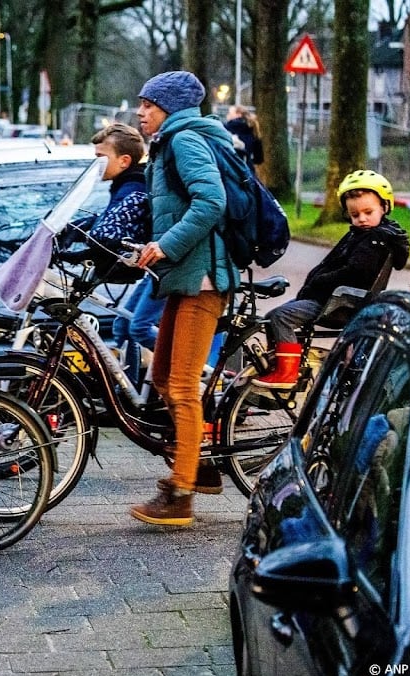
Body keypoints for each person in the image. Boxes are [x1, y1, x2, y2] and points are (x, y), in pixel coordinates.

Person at [128, 71, 239, 527]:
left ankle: (182, 493)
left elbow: (210, 202)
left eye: (149, 105)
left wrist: (167, 245)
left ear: (169, 108)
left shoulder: (184, 141)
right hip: (182, 277)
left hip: (204, 280)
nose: (140, 112)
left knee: (181, 385)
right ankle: (201, 465)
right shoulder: (168, 143)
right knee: (160, 375)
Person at [253, 170, 409, 389]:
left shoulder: (375, 240)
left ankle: (287, 373)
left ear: (384, 207)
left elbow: (356, 272)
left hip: (335, 302)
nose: (362, 219)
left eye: (368, 212)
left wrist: (319, 280)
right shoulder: (363, 234)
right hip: (329, 297)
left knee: (280, 317)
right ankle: (282, 362)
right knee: (271, 318)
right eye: (355, 215)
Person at [85, 123, 158, 386]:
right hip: (155, 269)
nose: (96, 164)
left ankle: (182, 368)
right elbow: (105, 219)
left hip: (165, 268)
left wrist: (85, 246)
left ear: (124, 160)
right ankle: (130, 389)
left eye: (100, 157)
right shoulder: (123, 184)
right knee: (122, 326)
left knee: (137, 327)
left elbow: (108, 230)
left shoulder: (133, 188)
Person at [224, 105, 263, 172]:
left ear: (239, 115)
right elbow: (259, 159)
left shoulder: (227, 129)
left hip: (228, 169)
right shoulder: (253, 131)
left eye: (229, 113)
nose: (227, 115)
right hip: (247, 170)